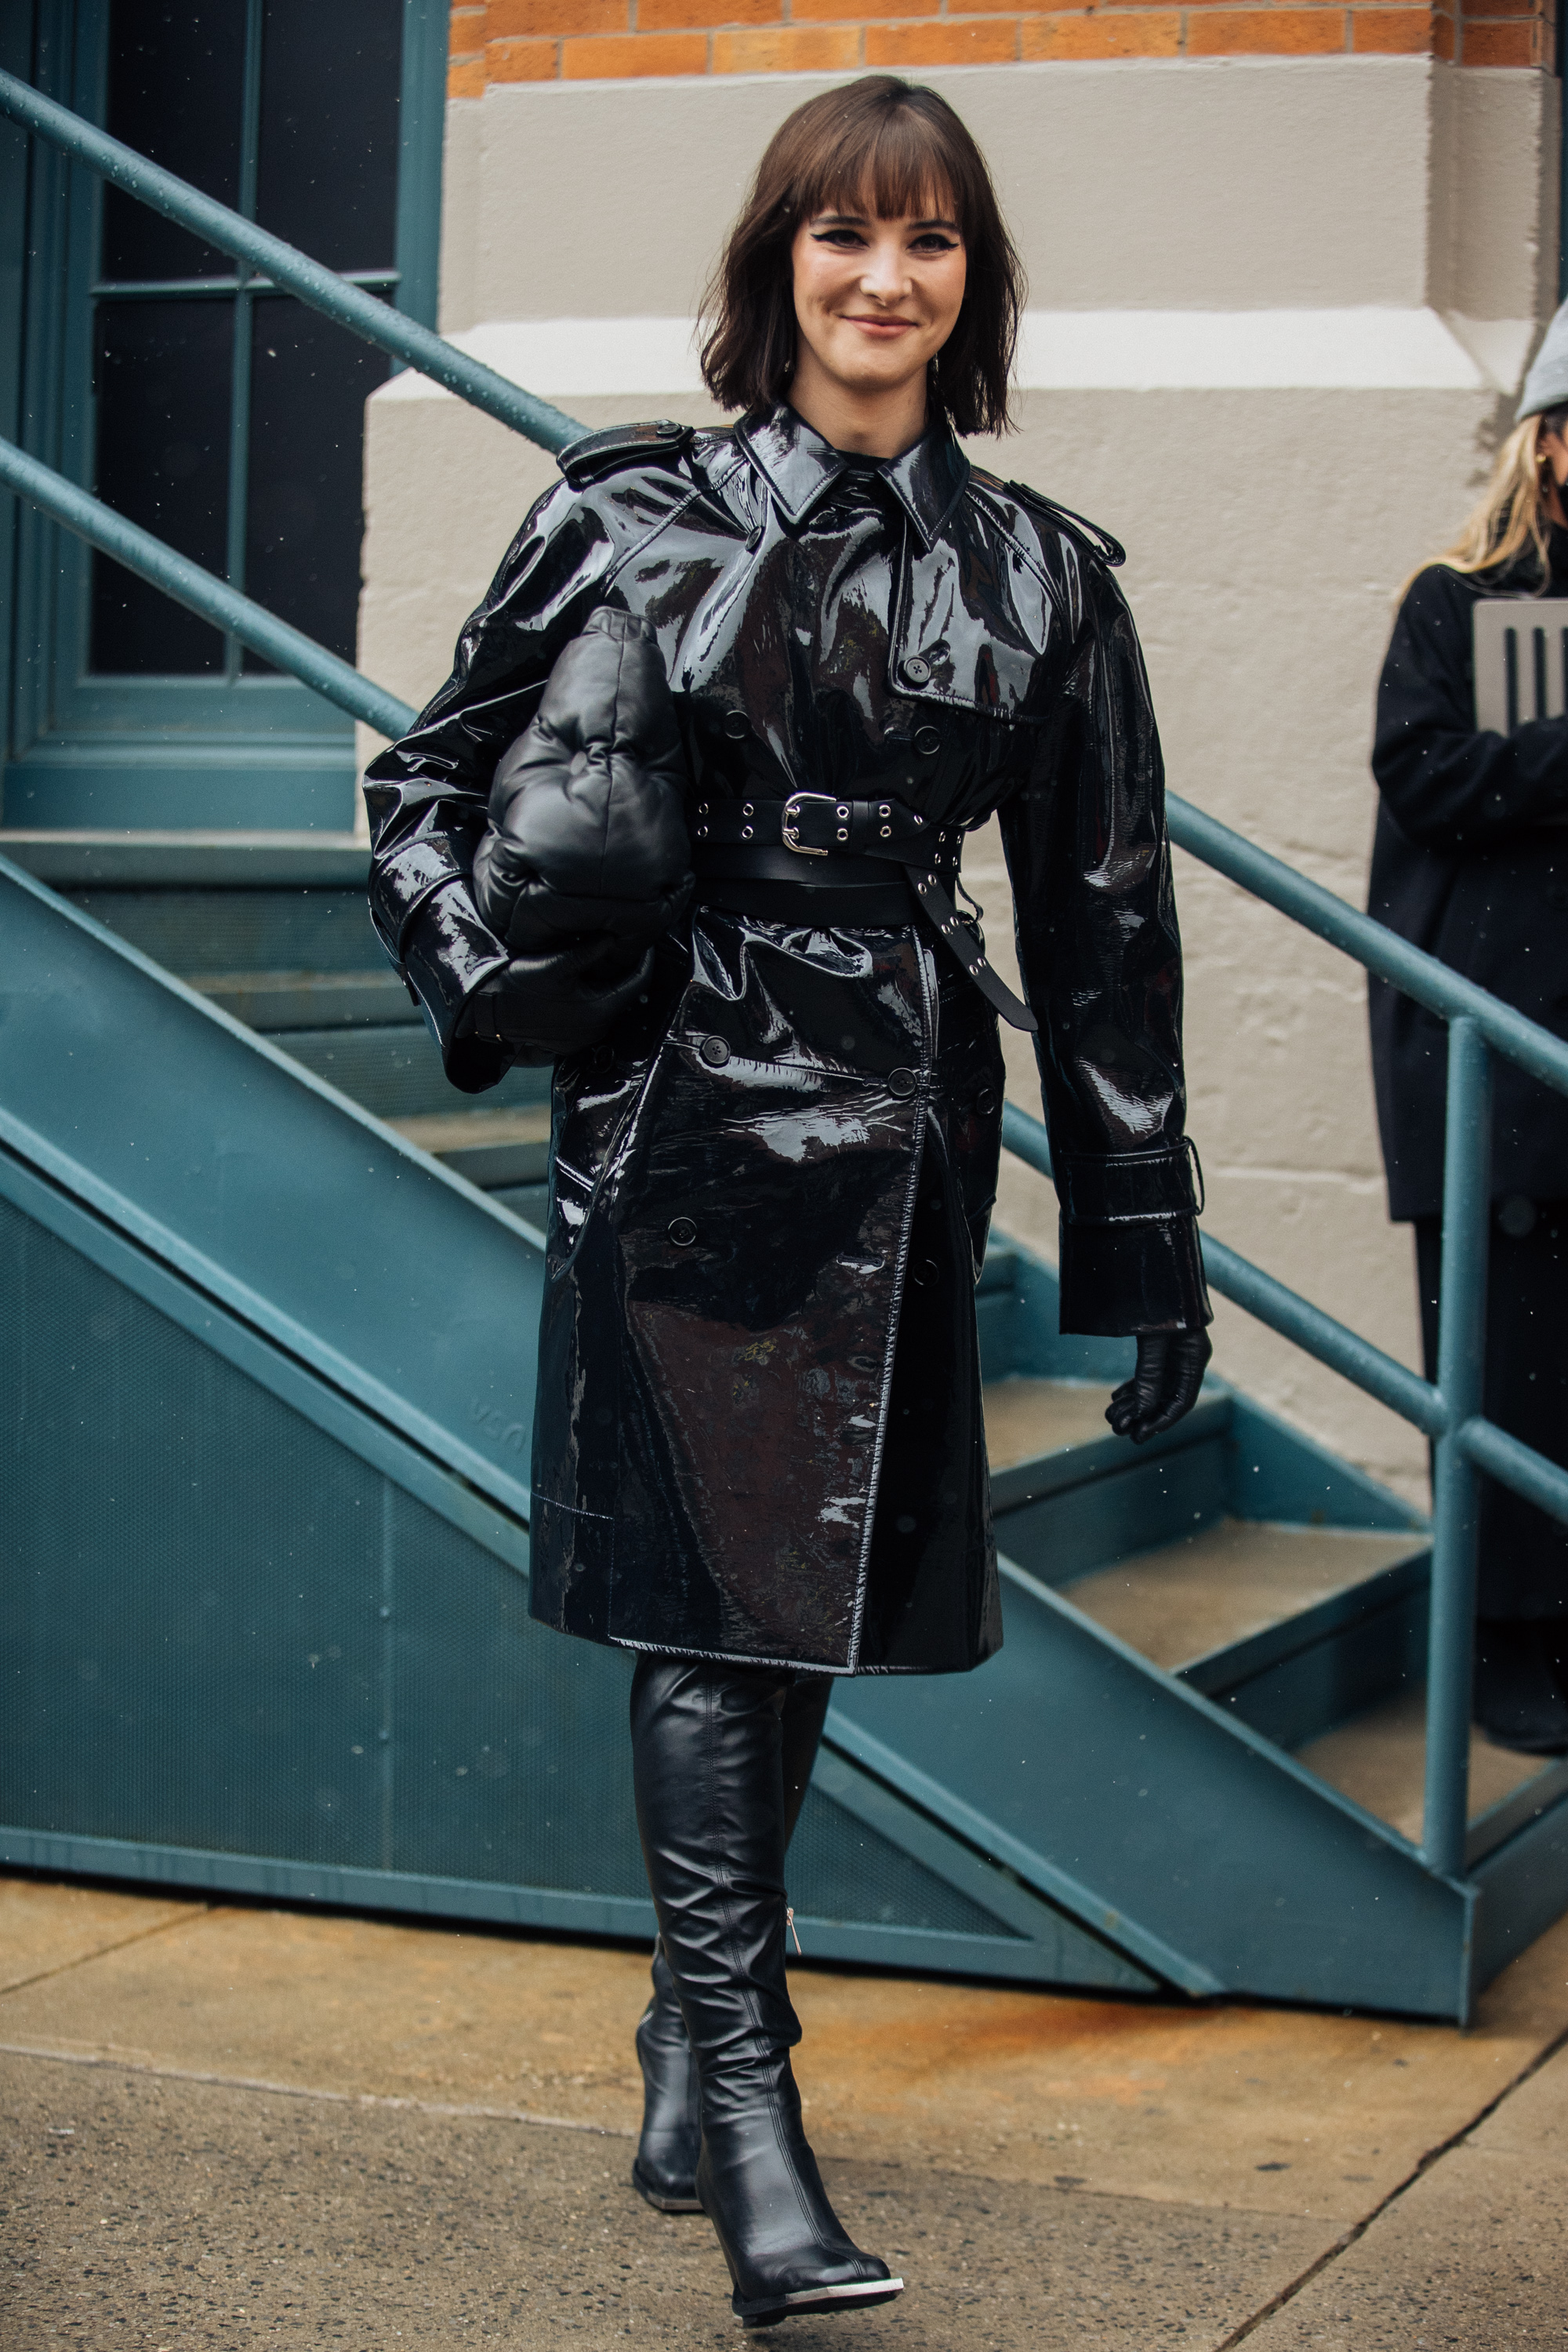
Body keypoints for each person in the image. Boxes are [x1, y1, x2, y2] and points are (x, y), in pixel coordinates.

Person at [365, 75, 1210, 2332]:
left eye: (929, 240)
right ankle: (750, 2099)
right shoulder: (630, 516)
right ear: (781, 267)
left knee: (794, 1589)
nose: (883, 277)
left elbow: (1110, 923)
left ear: (971, 282)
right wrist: (504, 980)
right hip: (676, 1100)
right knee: (714, 1603)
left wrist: (1147, 1254)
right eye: (845, 236)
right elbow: (428, 784)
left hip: (904, 1107)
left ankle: (684, 2030)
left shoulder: (1041, 575)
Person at [1369, 303, 1568, 1758]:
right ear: (1548, 445)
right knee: (1506, 1359)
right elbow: (1429, 776)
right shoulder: (1458, 600)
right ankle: (1504, 1641)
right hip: (1498, 1053)